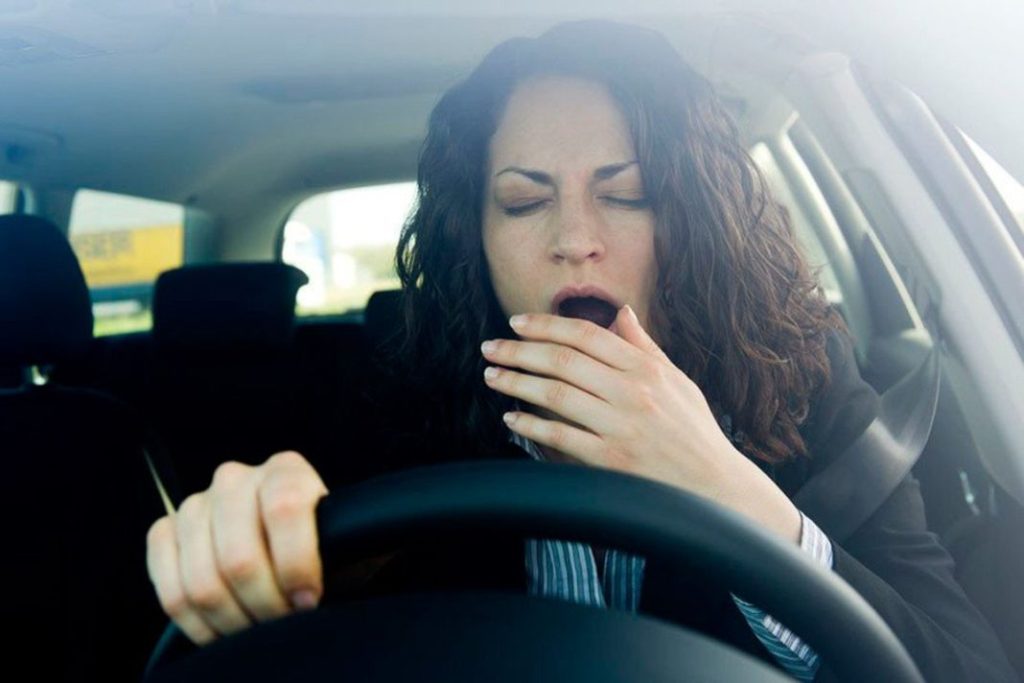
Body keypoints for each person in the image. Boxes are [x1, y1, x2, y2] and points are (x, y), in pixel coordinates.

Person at [145, 20, 1015, 682]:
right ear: (473, 238)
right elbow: (312, 566)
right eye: (524, 203)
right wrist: (261, 539)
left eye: (627, 195)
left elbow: (963, 666)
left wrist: (722, 484)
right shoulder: (398, 389)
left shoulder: (809, 378)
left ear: (692, 227)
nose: (574, 240)